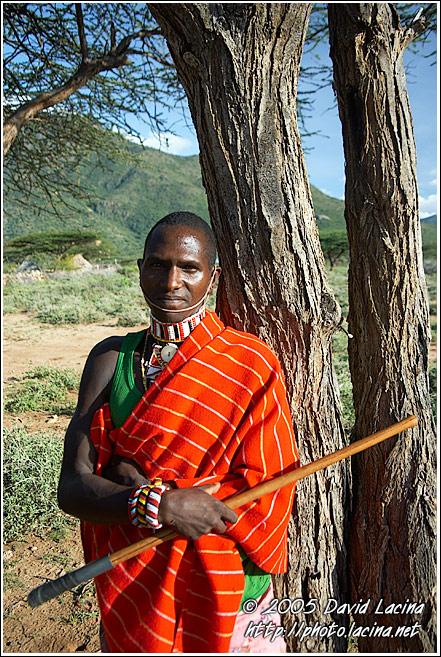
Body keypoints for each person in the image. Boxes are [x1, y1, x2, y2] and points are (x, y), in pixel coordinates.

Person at [58, 212, 299, 653]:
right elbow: (73, 487)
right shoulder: (110, 359)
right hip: (135, 590)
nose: (171, 282)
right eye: (157, 264)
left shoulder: (250, 363)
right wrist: (158, 503)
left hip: (231, 591)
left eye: (189, 268)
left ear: (213, 277)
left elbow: (269, 490)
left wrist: (133, 480)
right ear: (140, 269)